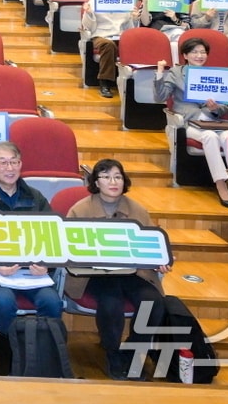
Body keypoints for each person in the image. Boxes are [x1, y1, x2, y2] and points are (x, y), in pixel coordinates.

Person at [65, 159, 170, 380]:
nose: (113, 182)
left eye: (118, 177)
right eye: (106, 177)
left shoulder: (137, 210)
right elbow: (67, 248)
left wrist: (162, 259)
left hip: (132, 272)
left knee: (153, 302)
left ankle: (133, 352)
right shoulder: (81, 209)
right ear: (96, 181)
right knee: (111, 302)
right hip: (94, 274)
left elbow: (153, 244)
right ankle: (113, 353)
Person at [0, 140, 64, 333]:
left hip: (32, 271)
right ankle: (10, 352)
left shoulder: (36, 197)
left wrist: (47, 265)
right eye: (3, 162)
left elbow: (54, 236)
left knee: (52, 302)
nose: (10, 168)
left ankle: (44, 350)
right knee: (4, 301)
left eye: (14, 162)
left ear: (20, 164)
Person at [155, 38, 228, 206]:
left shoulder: (214, 74)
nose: (199, 56)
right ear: (185, 55)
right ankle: (221, 185)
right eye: (195, 52)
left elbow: (224, 108)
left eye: (203, 52)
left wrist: (215, 108)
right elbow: (160, 96)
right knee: (209, 137)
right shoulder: (177, 73)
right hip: (188, 122)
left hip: (213, 122)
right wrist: (160, 72)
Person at [81, 0, 147, 97]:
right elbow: (87, 27)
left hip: (121, 35)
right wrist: (89, 13)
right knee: (108, 44)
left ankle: (136, 83)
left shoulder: (125, 2)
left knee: (137, 43)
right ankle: (104, 82)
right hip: (101, 35)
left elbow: (130, 29)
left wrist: (133, 18)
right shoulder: (93, 2)